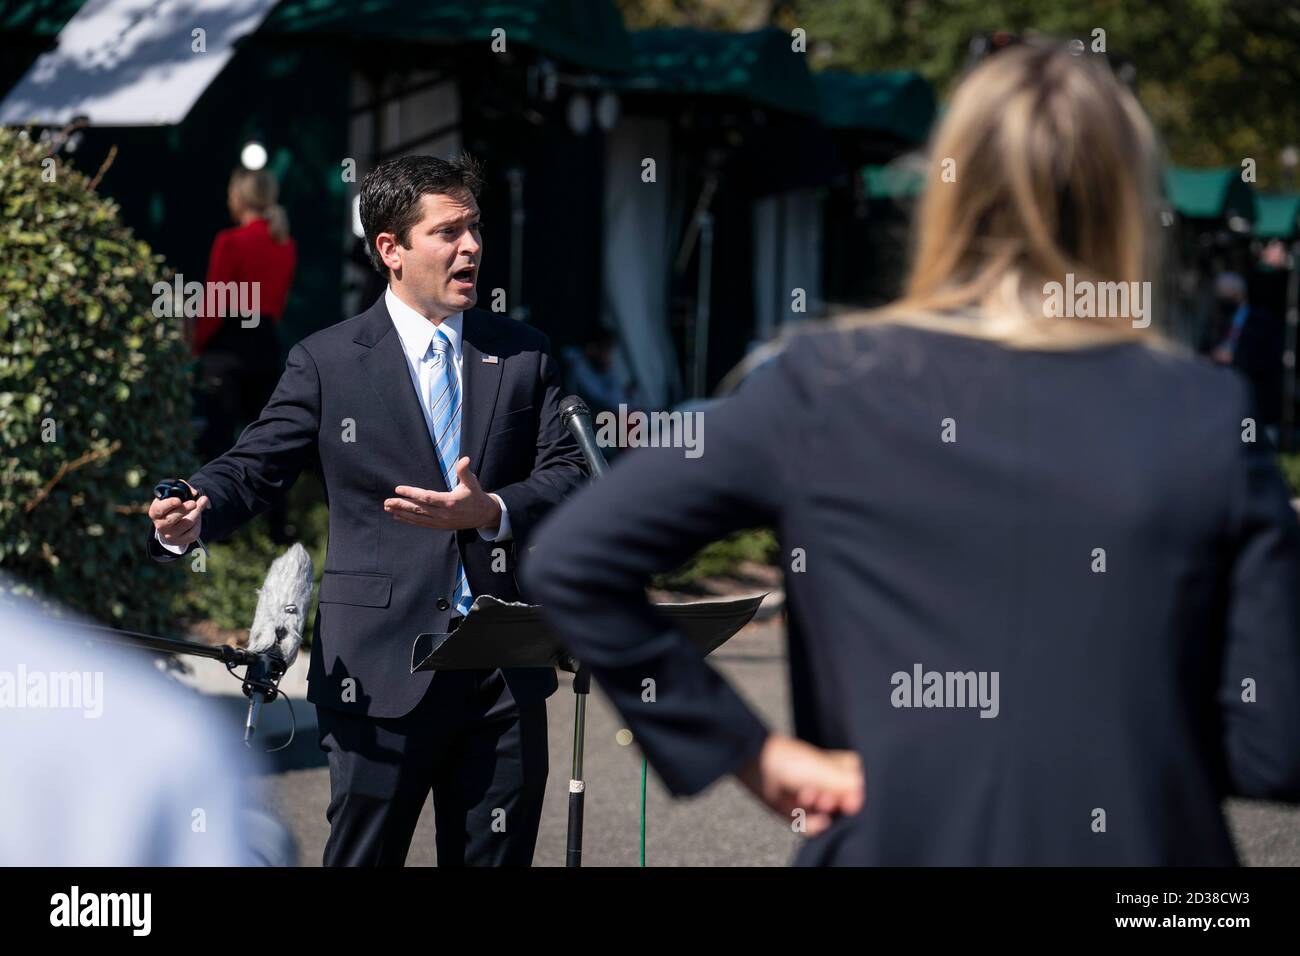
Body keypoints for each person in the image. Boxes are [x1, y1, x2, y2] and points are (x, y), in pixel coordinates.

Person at [523, 43, 1300, 865]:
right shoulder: (1203, 412)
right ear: (1127, 202)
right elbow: (1273, 742)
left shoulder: (826, 384)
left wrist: (753, 754)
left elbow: (573, 556)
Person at [147, 154, 586, 866]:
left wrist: (492, 509)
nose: (471, 246)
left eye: (474, 229)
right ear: (391, 249)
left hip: (503, 673)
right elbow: (254, 467)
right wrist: (198, 508)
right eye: (448, 233)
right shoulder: (327, 361)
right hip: (378, 673)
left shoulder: (524, 355)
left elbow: (570, 471)